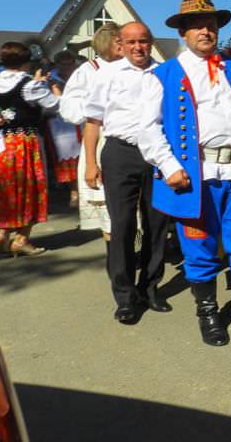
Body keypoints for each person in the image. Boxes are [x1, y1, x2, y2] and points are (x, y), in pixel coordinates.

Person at [139, 0, 231, 347]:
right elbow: (147, 128)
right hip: (196, 178)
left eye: (212, 25)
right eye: (198, 26)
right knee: (200, 247)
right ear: (184, 32)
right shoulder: (163, 74)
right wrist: (170, 166)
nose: (206, 31)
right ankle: (208, 314)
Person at [83, 22, 169, 325]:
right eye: (131, 42)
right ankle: (124, 295)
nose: (138, 48)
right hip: (121, 153)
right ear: (120, 43)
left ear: (150, 42)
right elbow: (92, 121)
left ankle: (150, 287)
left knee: (157, 223)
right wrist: (91, 162)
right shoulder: (107, 74)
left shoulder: (163, 73)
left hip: (157, 155)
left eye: (143, 41)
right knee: (121, 225)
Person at [0, 42, 61, 256]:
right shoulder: (30, 85)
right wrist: (52, 87)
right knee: (30, 188)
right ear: (26, 62)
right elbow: (55, 106)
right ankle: (22, 238)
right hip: (23, 142)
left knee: (5, 189)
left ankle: (1, 235)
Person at [59, 23, 123, 240]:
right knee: (105, 199)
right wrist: (97, 107)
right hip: (99, 136)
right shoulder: (89, 70)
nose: (124, 44)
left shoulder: (134, 65)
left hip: (132, 137)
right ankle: (114, 249)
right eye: (119, 40)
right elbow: (69, 109)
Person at [46, 50, 81, 207]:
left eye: (70, 63)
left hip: (81, 121)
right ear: (57, 64)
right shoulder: (51, 79)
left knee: (83, 157)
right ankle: (73, 191)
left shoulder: (81, 76)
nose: (67, 67)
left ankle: (83, 190)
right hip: (61, 125)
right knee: (68, 159)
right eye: (63, 64)